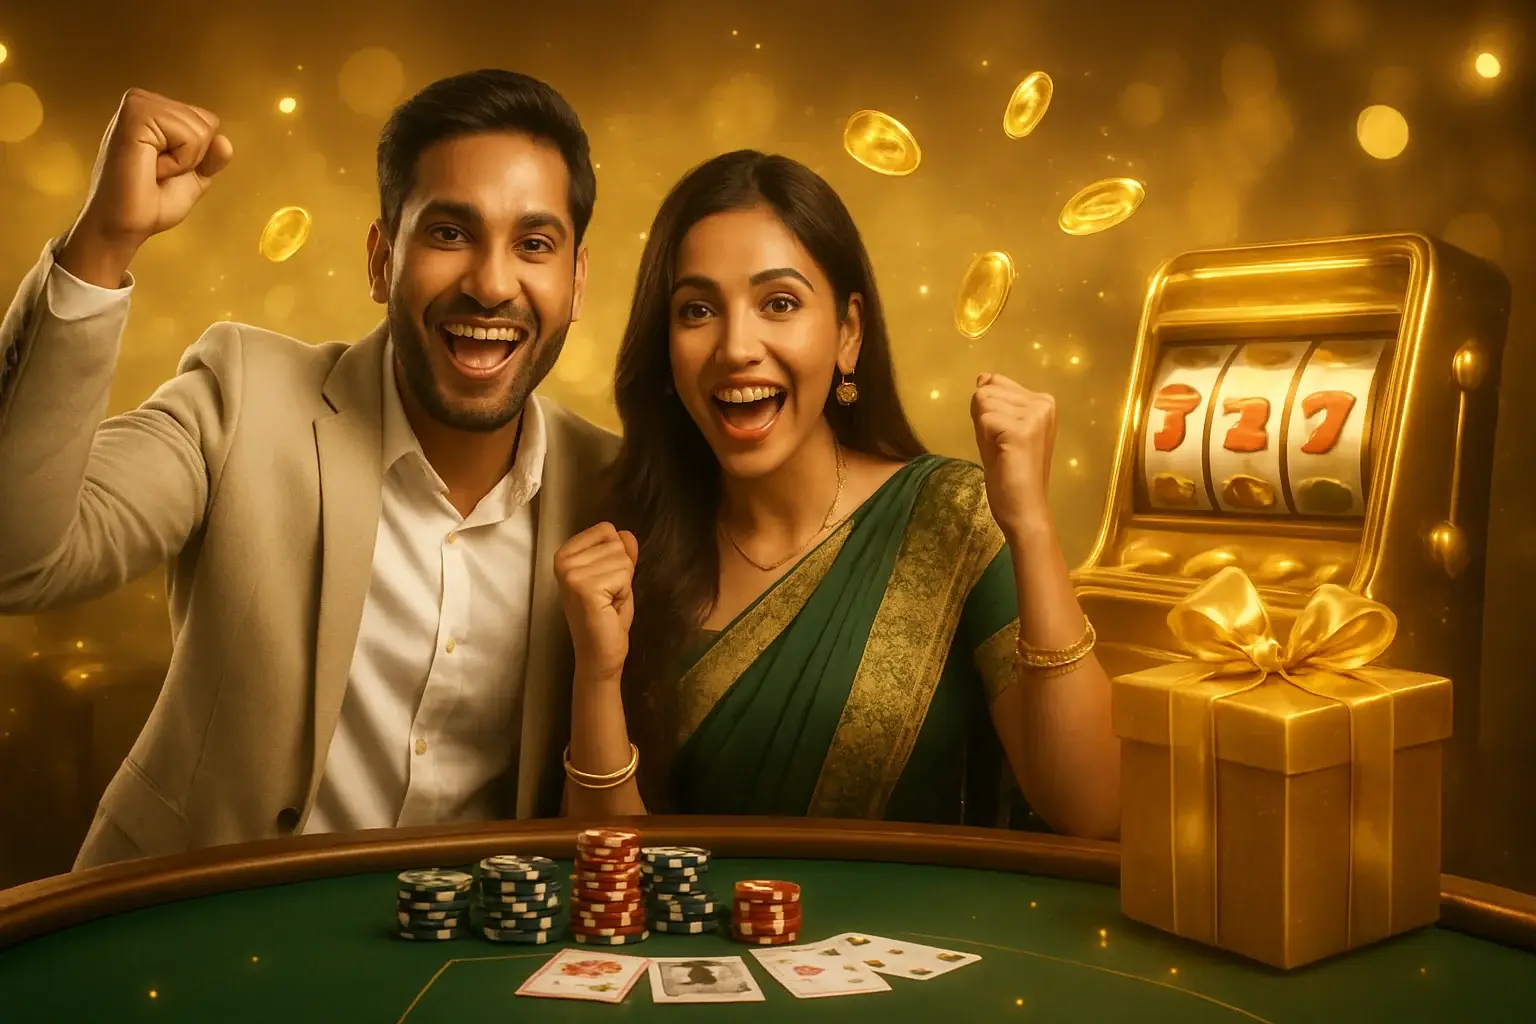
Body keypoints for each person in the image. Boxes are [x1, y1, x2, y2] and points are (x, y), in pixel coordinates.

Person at [0, 70, 618, 869]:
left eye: (534, 244)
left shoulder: (611, 487)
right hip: (190, 922)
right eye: (449, 233)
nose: (492, 284)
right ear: (381, 261)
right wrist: (103, 245)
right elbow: (18, 559)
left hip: (468, 944)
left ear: (577, 280)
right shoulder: (242, 396)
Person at [554, 150, 1120, 837]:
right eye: (697, 310)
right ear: (666, 348)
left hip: (930, 912)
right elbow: (608, 864)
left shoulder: (952, 515)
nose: (737, 347)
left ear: (848, 333)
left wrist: (1030, 524)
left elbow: (1093, 811)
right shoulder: (630, 553)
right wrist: (597, 674)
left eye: (779, 303)